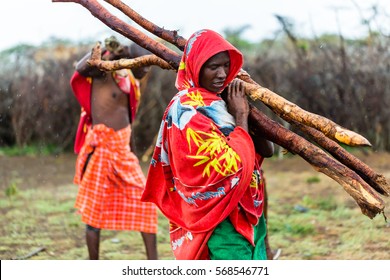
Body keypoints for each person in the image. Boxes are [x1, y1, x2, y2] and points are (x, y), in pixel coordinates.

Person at [141, 29, 274, 260]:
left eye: (226, 66)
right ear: (197, 66)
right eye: (214, 67)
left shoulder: (225, 101)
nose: (222, 74)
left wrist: (247, 110)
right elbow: (233, 167)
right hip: (220, 220)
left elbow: (266, 151)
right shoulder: (186, 109)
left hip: (248, 209)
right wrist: (240, 117)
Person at [70, 37, 158, 260]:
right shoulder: (102, 71)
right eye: (142, 64)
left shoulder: (127, 77)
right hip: (102, 150)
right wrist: (107, 52)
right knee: (93, 214)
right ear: (128, 55)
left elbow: (126, 118)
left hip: (123, 150)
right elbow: (79, 69)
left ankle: (154, 265)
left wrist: (133, 152)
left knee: (146, 204)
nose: (144, 70)